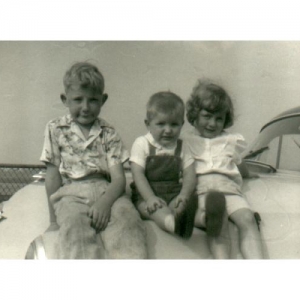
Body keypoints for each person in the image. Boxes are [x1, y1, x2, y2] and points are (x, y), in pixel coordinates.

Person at [40, 62, 147, 259]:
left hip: (108, 190)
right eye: (78, 99)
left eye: (93, 100)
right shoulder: (55, 129)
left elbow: (118, 179)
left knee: (129, 219)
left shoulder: (109, 132)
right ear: (65, 99)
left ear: (103, 100)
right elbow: (53, 177)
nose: (86, 107)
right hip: (72, 192)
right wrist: (53, 221)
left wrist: (105, 203)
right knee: (74, 226)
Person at [184, 79, 264, 259]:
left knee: (247, 219)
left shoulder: (230, 140)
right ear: (195, 115)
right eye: (207, 116)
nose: (212, 123)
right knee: (219, 222)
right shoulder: (186, 141)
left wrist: (248, 174)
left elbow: (239, 162)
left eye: (219, 118)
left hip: (230, 191)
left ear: (225, 119)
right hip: (203, 191)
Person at [130, 92, 197, 239]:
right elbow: (138, 174)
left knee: (181, 206)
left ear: (181, 124)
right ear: (148, 124)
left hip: (173, 192)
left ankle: (200, 219)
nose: (168, 130)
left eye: (174, 124)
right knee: (157, 210)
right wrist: (150, 198)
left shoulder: (182, 146)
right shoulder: (142, 143)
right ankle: (173, 225)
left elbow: (190, 174)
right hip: (146, 195)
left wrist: (184, 195)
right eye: (161, 124)